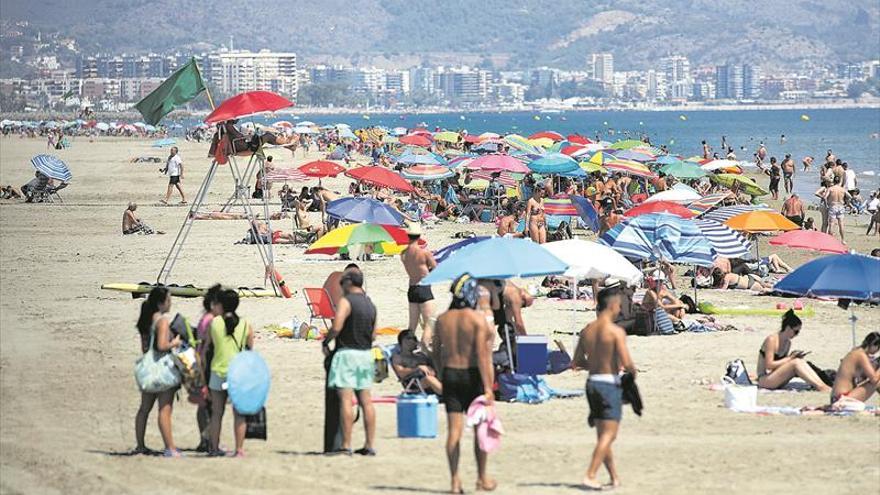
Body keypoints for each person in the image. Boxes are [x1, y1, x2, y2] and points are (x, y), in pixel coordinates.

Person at [431, 274, 496, 494]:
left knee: (454, 432)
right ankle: (481, 478)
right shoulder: (477, 320)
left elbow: (435, 351)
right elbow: (483, 356)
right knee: (480, 430)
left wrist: (441, 373)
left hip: (451, 374)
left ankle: (455, 480)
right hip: (472, 375)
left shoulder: (442, 319)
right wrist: (488, 387)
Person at [571, 287, 637, 490]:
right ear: (611, 306)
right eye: (618, 305)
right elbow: (627, 364)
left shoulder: (587, 330)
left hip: (592, 384)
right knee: (610, 435)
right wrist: (632, 374)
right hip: (609, 384)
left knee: (603, 435)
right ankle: (590, 474)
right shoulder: (616, 332)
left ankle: (614, 477)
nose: (620, 308)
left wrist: (598, 364)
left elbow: (577, 362)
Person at [323, 269, 377, 456]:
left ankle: (346, 444)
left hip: (347, 354)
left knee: (346, 400)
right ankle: (369, 444)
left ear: (348, 283)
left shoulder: (346, 302)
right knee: (366, 402)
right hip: (365, 355)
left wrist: (326, 341)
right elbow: (374, 334)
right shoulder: (370, 304)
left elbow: (336, 327)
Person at [201, 289, 254, 457]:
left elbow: (205, 351)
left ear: (222, 305)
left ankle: (214, 449)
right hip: (237, 374)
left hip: (217, 372)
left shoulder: (214, 323)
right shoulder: (246, 324)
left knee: (217, 413)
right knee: (239, 414)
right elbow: (250, 351)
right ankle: (239, 450)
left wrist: (204, 377)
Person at [133, 287, 183, 457]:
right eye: (169, 299)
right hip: (162, 369)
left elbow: (145, 347)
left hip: (148, 369)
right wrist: (174, 343)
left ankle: (140, 445)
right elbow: (162, 346)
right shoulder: (162, 321)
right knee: (165, 409)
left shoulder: (145, 319)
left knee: (144, 409)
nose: (170, 303)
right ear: (161, 303)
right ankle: (170, 447)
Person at [755, 310, 830, 392]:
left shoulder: (788, 343)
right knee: (795, 362)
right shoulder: (772, 339)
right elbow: (769, 365)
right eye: (796, 331)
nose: (796, 334)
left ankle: (822, 385)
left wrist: (793, 358)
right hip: (764, 380)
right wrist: (790, 358)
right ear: (787, 328)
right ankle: (820, 387)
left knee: (799, 360)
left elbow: (778, 367)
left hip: (776, 378)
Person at [194, 284, 222, 452]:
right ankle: (209, 440)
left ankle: (205, 439)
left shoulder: (205, 318)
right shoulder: (211, 320)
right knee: (210, 405)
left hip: (201, 362)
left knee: (204, 404)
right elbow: (208, 348)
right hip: (206, 364)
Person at [401, 223, 437, 349]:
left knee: (412, 325)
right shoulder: (424, 253)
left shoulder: (403, 253)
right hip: (424, 287)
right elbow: (435, 268)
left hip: (412, 288)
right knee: (430, 322)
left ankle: (408, 347)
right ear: (419, 236)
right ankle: (424, 345)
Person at [830, 332, 880, 404]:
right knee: (877, 382)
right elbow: (874, 380)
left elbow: (860, 379)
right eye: (878, 348)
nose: (877, 351)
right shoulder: (861, 355)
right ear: (873, 345)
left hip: (836, 398)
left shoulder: (855, 352)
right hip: (842, 399)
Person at [391, 329, 442, 395]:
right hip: (415, 383)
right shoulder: (398, 357)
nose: (416, 342)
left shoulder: (420, 355)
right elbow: (401, 373)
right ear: (404, 341)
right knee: (429, 379)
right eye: (414, 339)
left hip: (433, 379)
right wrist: (418, 368)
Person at [823, 177, 851, 242]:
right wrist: (847, 204)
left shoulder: (830, 189)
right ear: (839, 182)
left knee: (831, 223)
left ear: (833, 181)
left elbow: (824, 197)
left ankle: (830, 239)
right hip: (841, 206)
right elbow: (850, 197)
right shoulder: (842, 189)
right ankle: (843, 239)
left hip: (833, 205)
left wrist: (826, 205)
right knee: (841, 224)